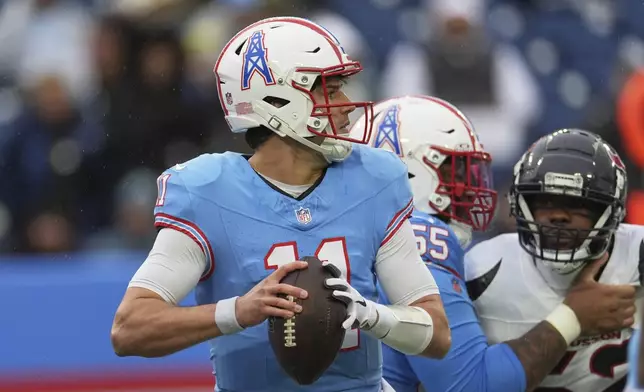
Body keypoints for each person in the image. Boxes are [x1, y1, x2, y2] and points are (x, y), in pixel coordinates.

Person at [110, 17, 451, 392]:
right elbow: (129, 328)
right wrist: (238, 311)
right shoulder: (207, 190)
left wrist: (372, 316)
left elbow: (436, 334)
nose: (345, 107)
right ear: (277, 100)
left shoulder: (374, 178)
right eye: (329, 91)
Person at [352, 100, 638, 391]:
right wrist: (573, 317)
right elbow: (472, 387)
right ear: (406, 171)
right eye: (456, 171)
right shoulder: (422, 238)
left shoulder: (352, 227)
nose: (468, 186)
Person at [466, 128, 639, 391]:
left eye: (578, 203)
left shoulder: (637, 254)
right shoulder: (481, 271)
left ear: (610, 212)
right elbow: (461, 382)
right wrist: (573, 317)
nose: (558, 216)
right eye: (545, 201)